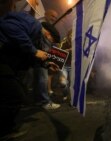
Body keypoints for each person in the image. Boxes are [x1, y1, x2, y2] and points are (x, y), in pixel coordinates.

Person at [0, 8, 59, 138]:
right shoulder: (34, 25)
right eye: (50, 42)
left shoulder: (35, 39)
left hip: (8, 64)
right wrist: (34, 51)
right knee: (14, 96)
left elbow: (29, 58)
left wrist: (46, 64)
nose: (48, 46)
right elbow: (9, 27)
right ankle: (4, 131)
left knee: (15, 95)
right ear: (48, 35)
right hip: (2, 60)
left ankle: (7, 128)